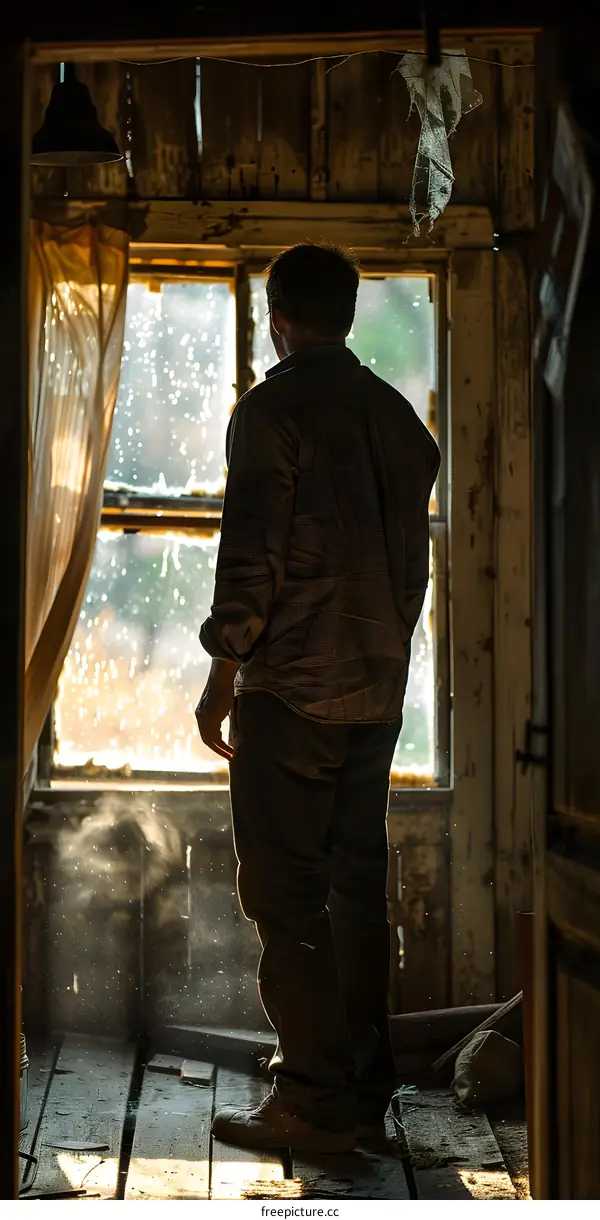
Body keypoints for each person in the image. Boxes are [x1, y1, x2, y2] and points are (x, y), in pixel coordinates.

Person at [196, 242, 440, 1155]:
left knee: (287, 895)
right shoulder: (398, 421)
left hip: (292, 693)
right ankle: (361, 1093)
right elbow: (411, 577)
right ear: (347, 314)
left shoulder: (273, 412)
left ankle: (309, 1097)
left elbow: (251, 563)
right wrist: (379, 658)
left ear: (278, 321)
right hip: (375, 691)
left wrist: (223, 676)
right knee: (356, 894)